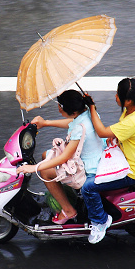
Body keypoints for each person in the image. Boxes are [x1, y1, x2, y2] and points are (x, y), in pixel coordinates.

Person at [81, 77, 135, 243]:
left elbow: (101, 132)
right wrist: (117, 136)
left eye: (118, 95)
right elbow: (123, 131)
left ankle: (100, 221)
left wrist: (91, 106)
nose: (115, 97)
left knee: (87, 188)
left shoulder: (133, 121)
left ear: (128, 100)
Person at [16, 89, 106, 224]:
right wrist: (46, 123)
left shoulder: (79, 129)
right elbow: (72, 122)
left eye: (60, 107)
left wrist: (33, 168)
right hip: (97, 155)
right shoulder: (89, 113)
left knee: (45, 171)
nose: (59, 109)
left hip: (89, 168)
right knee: (46, 155)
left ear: (74, 112)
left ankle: (69, 210)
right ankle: (66, 194)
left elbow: (64, 157)